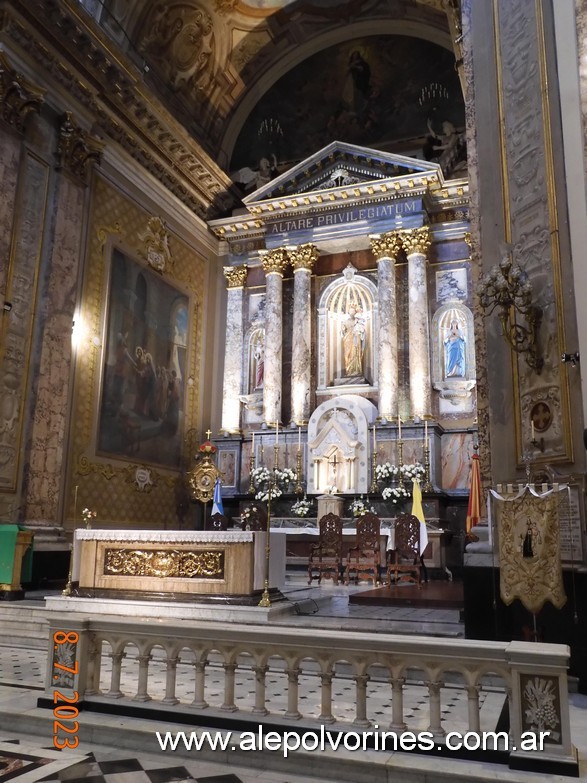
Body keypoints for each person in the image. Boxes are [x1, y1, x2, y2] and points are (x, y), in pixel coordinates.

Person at [341, 305, 366, 377]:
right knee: (347, 354)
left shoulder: (358, 321)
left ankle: (356, 370)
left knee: (355, 353)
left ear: (355, 312)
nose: (352, 312)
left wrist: (360, 331)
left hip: (355, 339)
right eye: (350, 311)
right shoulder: (345, 322)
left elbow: (362, 331)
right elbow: (342, 332)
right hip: (347, 339)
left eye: (353, 311)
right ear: (348, 312)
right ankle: (348, 370)